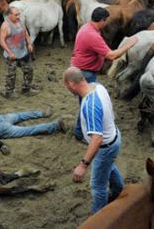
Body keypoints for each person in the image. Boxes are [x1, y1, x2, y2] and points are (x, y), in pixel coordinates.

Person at [63, 67, 124, 214]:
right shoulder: (98, 86)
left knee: (98, 186)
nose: (67, 89)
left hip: (104, 146)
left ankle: (98, 217)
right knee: (107, 165)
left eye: (66, 86)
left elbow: (97, 139)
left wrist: (83, 165)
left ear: (71, 84)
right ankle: (118, 190)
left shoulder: (90, 105)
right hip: (114, 137)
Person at [71, 7, 137, 140]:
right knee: (88, 103)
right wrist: (129, 44)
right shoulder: (93, 35)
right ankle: (80, 133)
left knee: (85, 102)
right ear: (101, 20)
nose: (106, 23)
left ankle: (80, 131)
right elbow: (111, 55)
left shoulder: (86, 27)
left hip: (81, 69)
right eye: (105, 21)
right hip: (86, 73)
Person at [0, 7, 38, 98]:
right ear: (9, 15)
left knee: (29, 70)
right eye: (16, 15)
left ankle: (26, 89)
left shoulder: (20, 22)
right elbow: (1, 41)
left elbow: (25, 33)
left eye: (18, 14)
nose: (18, 16)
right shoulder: (5, 26)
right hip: (12, 55)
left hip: (23, 52)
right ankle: (9, 92)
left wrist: (29, 43)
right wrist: (9, 53)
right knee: (11, 74)